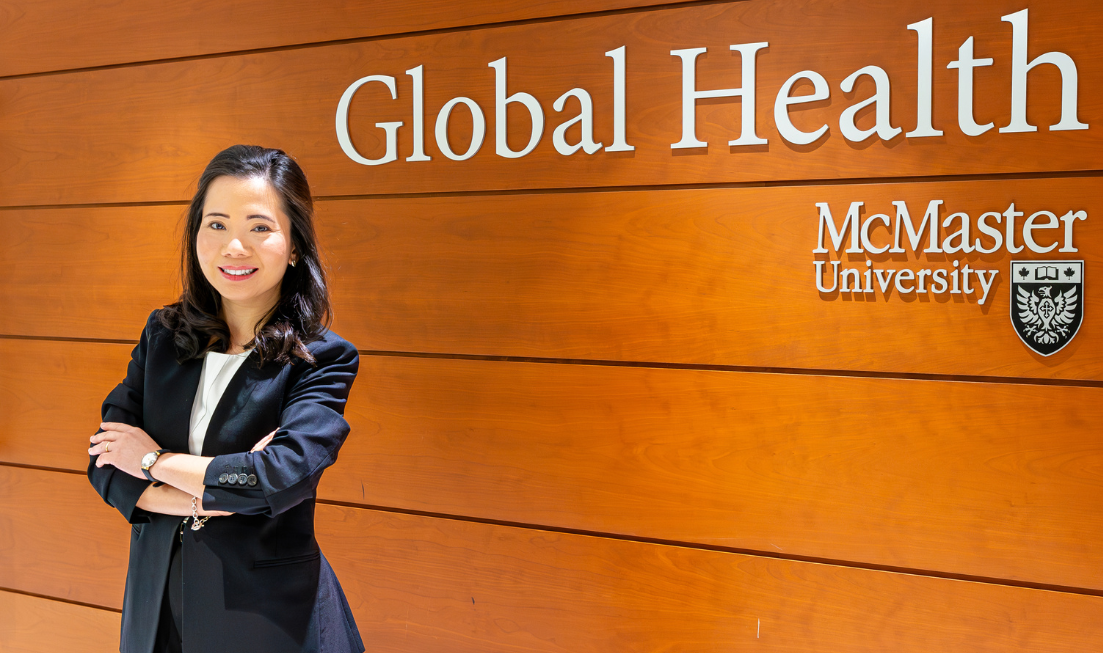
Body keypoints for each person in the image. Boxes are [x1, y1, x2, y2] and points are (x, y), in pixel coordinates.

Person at [86, 144, 366, 653]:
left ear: (296, 244)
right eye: (216, 225)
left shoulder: (321, 358)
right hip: (156, 612)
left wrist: (151, 460)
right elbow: (106, 457)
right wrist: (204, 491)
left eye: (259, 227)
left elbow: (280, 474)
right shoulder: (163, 336)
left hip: (265, 618)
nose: (234, 247)